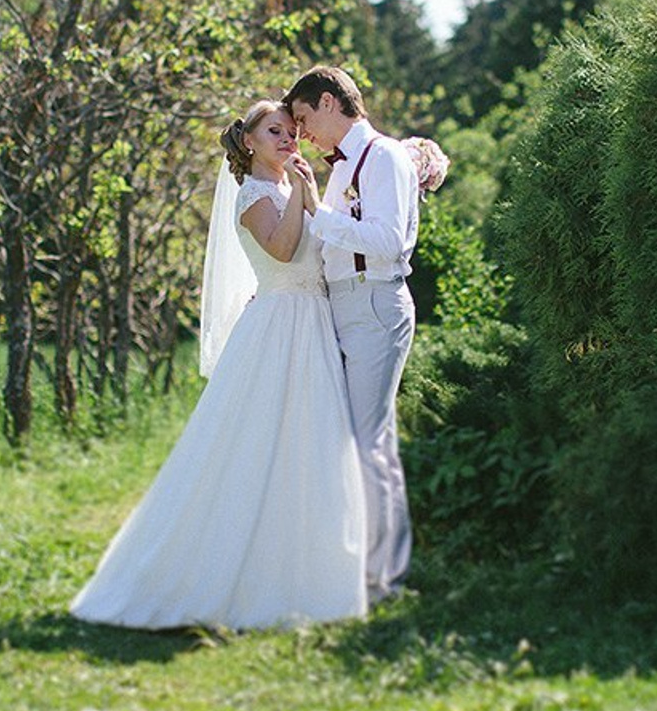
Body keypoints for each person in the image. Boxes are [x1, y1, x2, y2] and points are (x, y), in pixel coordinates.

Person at [69, 100, 367, 630]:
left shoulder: (289, 187)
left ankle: (306, 577)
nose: (289, 139)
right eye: (275, 131)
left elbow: (322, 250)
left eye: (292, 131)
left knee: (308, 445)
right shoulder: (254, 195)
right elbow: (282, 251)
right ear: (249, 141)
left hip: (313, 323)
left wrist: (312, 197)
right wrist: (305, 192)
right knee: (255, 447)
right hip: (279, 329)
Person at [285, 66, 420, 602]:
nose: (301, 134)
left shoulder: (384, 156)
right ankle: (356, 567)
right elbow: (331, 246)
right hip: (342, 306)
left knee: (369, 445)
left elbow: (387, 242)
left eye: (302, 119)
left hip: (374, 304)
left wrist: (317, 212)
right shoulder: (342, 168)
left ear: (327, 102)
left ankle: (381, 580)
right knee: (351, 443)